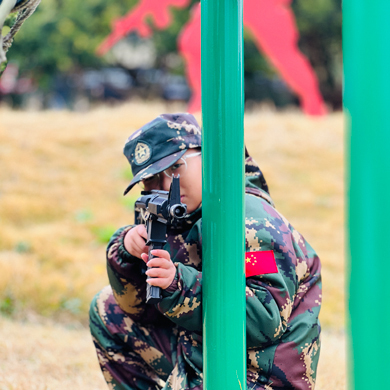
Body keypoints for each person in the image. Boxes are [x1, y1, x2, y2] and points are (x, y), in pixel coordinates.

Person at [89, 113, 322, 390]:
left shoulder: (250, 219)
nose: (164, 187)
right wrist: (127, 252)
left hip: (258, 377)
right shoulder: (178, 216)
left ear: (208, 157)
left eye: (176, 167)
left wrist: (178, 285)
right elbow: (137, 311)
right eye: (150, 181)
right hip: (202, 356)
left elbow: (263, 320)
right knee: (107, 308)